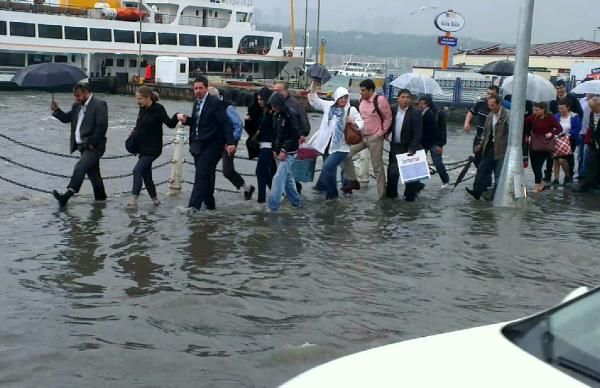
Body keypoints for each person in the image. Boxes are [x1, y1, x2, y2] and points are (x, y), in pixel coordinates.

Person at [179, 76, 235, 211]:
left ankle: (193, 207)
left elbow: (226, 122)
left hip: (212, 146)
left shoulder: (214, 102)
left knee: (200, 174)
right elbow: (199, 123)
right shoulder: (196, 102)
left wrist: (231, 142)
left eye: (200, 88)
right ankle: (210, 206)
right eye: (195, 88)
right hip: (198, 145)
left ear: (206, 88)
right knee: (207, 176)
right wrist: (187, 120)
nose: (198, 91)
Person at [50, 82, 108, 207]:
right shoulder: (76, 105)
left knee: (80, 166)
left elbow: (102, 127)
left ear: (86, 93)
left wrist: (92, 144)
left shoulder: (99, 104)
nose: (76, 99)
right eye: (75, 96)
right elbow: (66, 118)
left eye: (78, 96)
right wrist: (57, 110)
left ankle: (66, 196)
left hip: (94, 146)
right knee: (94, 175)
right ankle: (101, 200)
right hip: (82, 146)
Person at [308, 80, 364, 200]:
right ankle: (331, 196)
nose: (343, 100)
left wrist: (353, 122)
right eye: (341, 98)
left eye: (345, 97)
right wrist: (314, 84)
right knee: (330, 172)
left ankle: (332, 194)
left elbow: (361, 123)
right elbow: (314, 100)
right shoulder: (328, 106)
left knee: (327, 167)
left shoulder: (351, 110)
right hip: (326, 145)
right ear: (336, 97)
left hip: (341, 147)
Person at [341, 79, 392, 199]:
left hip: (375, 138)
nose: (361, 93)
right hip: (361, 137)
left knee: (377, 168)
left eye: (363, 90)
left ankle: (382, 196)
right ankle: (353, 180)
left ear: (371, 90)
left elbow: (388, 118)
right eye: (361, 90)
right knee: (345, 155)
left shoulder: (380, 101)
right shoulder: (361, 100)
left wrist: (380, 134)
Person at [128, 86, 179, 207]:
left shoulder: (158, 109)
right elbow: (140, 125)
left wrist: (177, 116)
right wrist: (133, 133)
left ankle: (133, 199)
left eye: (140, 98)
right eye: (137, 98)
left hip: (153, 148)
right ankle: (156, 201)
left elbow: (170, 124)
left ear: (148, 98)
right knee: (146, 175)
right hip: (142, 148)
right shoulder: (142, 108)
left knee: (137, 170)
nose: (138, 101)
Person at [207, 87, 255, 199]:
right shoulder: (210, 106)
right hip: (216, 142)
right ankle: (209, 192)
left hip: (229, 142)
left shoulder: (228, 108)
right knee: (208, 166)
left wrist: (231, 142)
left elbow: (238, 124)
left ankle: (247, 187)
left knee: (227, 170)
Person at [465, 96, 509, 201]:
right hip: (489, 146)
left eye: (492, 105)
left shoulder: (507, 115)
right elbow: (486, 132)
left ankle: (495, 196)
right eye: (489, 105)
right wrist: (480, 144)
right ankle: (477, 191)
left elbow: (511, 134)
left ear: (499, 104)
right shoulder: (490, 115)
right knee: (482, 168)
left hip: (501, 148)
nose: (490, 107)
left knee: (498, 173)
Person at [273, 82, 311, 194]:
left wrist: (303, 134)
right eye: (274, 91)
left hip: (290, 144)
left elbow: (304, 123)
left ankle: (291, 196)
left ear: (286, 91)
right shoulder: (276, 105)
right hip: (278, 144)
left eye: (278, 91)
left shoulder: (294, 105)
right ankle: (290, 196)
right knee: (284, 173)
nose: (275, 94)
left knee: (286, 173)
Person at [386, 89, 423, 202]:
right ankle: (391, 196)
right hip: (395, 145)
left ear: (410, 99)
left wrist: (412, 148)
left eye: (407, 97)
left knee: (410, 176)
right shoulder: (392, 109)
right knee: (392, 173)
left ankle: (410, 198)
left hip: (409, 147)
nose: (405, 100)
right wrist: (385, 132)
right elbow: (388, 123)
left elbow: (418, 132)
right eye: (403, 97)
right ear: (398, 98)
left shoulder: (415, 112)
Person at [267, 92, 302, 211]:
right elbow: (275, 134)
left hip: (289, 152)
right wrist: (274, 149)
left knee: (278, 178)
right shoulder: (276, 115)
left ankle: (273, 208)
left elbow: (295, 134)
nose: (272, 108)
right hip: (279, 151)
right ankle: (297, 203)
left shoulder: (290, 115)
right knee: (287, 180)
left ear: (280, 105)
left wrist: (283, 150)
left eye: (274, 106)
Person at [546, 79, 583, 182]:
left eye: (561, 88)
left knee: (568, 157)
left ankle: (569, 175)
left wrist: (572, 119)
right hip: (557, 137)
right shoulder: (554, 100)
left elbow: (580, 113)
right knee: (554, 158)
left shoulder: (572, 97)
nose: (559, 90)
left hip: (570, 137)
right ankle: (553, 176)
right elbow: (553, 117)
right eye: (557, 88)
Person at [525, 102, 562, 193]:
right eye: (534, 110)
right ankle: (541, 182)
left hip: (545, 145)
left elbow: (559, 128)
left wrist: (551, 133)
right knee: (534, 165)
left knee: (538, 164)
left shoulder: (550, 118)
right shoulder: (533, 117)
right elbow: (525, 122)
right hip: (534, 144)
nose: (535, 112)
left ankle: (537, 184)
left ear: (543, 109)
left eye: (537, 110)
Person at [464, 85, 500, 168]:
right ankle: (481, 174)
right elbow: (471, 112)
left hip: (491, 140)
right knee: (477, 160)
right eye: (488, 93)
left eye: (492, 94)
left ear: (497, 95)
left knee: (487, 164)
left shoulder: (499, 106)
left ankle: (485, 177)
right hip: (479, 136)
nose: (489, 96)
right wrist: (467, 123)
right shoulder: (481, 102)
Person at [418, 95, 450, 189]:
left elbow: (443, 130)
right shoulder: (419, 113)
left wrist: (441, 145)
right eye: (420, 103)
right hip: (422, 142)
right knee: (419, 163)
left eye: (422, 103)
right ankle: (417, 183)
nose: (420, 105)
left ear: (427, 103)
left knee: (438, 163)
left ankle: (445, 181)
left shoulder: (439, 113)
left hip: (434, 143)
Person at [253, 87, 276, 204]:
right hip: (263, 146)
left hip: (268, 146)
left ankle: (261, 200)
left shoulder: (271, 113)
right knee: (267, 173)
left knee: (260, 172)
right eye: (258, 99)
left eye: (261, 99)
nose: (259, 102)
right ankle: (276, 194)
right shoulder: (263, 112)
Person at [573, 96, 600, 192]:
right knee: (590, 164)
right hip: (592, 143)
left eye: (594, 107)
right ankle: (588, 184)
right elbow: (591, 126)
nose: (592, 110)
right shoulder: (593, 113)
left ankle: (596, 184)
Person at [552, 98, 581, 185]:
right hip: (557, 140)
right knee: (555, 160)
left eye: (562, 108)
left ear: (568, 108)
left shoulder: (574, 116)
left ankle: (567, 175)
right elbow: (552, 126)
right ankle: (556, 179)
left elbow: (577, 128)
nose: (560, 110)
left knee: (562, 160)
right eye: (559, 108)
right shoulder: (556, 116)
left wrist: (569, 134)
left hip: (569, 141)